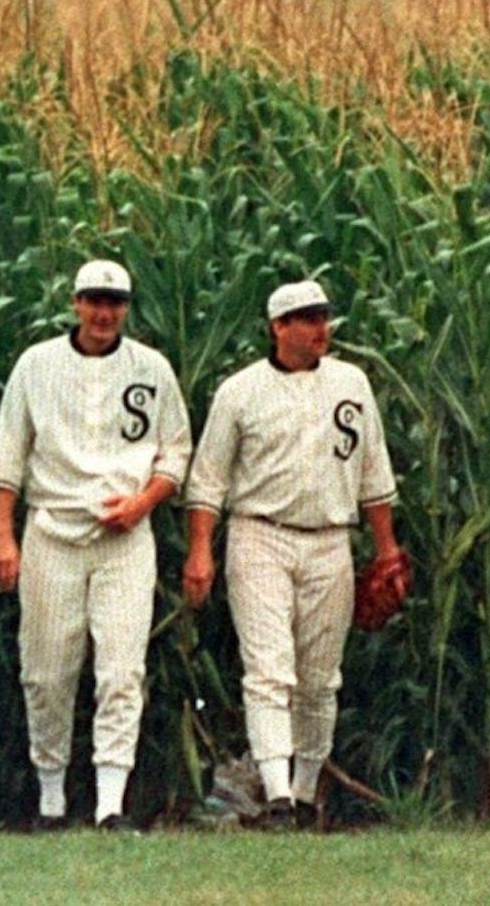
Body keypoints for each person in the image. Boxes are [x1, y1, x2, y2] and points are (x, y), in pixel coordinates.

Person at [180, 280, 403, 829]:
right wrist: (200, 551)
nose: (319, 327)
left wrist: (387, 551)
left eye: (323, 316)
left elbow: (373, 473)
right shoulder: (241, 391)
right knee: (269, 670)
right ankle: (277, 794)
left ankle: (305, 795)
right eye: (305, 318)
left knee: (321, 676)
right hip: (261, 534)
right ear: (278, 327)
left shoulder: (351, 382)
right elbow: (208, 481)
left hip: (330, 537)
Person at [0, 260, 192, 830]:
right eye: (94, 300)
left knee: (122, 669)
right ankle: (51, 799)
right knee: (48, 670)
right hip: (53, 529)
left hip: (125, 536)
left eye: (116, 302)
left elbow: (176, 452)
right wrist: (3, 533)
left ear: (127, 307)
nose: (104, 313)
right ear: (75, 302)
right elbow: (8, 455)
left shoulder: (151, 368)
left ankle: (110, 805)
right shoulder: (37, 364)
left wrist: (142, 503)